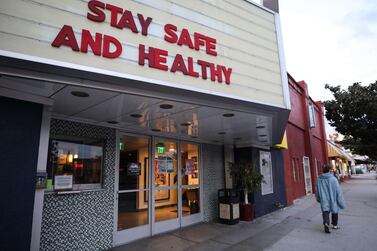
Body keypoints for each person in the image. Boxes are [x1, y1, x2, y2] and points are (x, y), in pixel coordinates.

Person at [315, 165, 345, 233]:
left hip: (324, 198)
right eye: (331, 170)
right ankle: (334, 225)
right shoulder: (333, 179)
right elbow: (338, 191)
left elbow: (316, 190)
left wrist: (318, 198)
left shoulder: (319, 179)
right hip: (333, 198)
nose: (332, 171)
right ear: (329, 171)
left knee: (325, 211)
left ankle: (326, 223)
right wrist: (340, 201)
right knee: (334, 211)